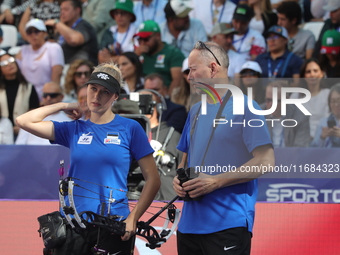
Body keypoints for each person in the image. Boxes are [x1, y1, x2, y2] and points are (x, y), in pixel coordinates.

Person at [16, 62, 160, 255]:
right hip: (73, 225)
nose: (97, 96)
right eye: (93, 89)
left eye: (105, 92)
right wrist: (64, 105)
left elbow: (153, 179)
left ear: (115, 96)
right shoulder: (74, 128)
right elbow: (23, 121)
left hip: (114, 225)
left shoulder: (130, 128)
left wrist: (133, 218)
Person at [173, 41, 274, 255]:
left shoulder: (246, 106)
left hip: (227, 224)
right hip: (189, 225)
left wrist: (217, 181)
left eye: (192, 69)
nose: (189, 76)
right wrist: (178, 180)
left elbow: (266, 161)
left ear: (212, 68)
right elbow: (184, 160)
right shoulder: (195, 110)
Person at [139, 89, 182, 201]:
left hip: (166, 201)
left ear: (157, 108)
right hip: (133, 198)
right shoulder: (126, 134)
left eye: (144, 103)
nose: (140, 109)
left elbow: (186, 168)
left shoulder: (173, 135)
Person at [16, 18, 64, 100]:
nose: (33, 35)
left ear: (45, 33)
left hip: (47, 96)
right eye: (29, 32)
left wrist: (50, 96)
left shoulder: (54, 48)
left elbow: (57, 74)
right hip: (26, 96)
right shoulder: (23, 50)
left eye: (36, 31)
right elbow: (16, 74)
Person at [134, 20, 185, 96]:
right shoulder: (139, 54)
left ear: (158, 36)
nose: (142, 43)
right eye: (140, 39)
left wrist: (167, 100)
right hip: (143, 94)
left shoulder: (173, 53)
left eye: (146, 39)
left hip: (165, 95)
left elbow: (177, 80)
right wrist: (135, 56)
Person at [45, 0, 98, 65]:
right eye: (61, 10)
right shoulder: (62, 28)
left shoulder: (85, 26)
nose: (62, 12)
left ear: (77, 10)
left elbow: (74, 40)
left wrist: (57, 23)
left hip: (83, 71)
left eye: (66, 9)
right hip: (64, 68)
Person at [0, 52, 40, 137]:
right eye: (4, 63)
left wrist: (23, 126)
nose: (9, 64)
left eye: (11, 60)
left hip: (23, 131)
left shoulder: (28, 87)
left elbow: (34, 110)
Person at [290, 58, 330, 139]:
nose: (312, 74)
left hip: (323, 139)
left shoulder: (328, 94)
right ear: (304, 76)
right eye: (308, 72)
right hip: (300, 139)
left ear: (322, 74)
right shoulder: (295, 96)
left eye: (315, 71)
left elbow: (329, 120)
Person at [264, 80, 311, 147]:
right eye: (268, 100)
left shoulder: (300, 117)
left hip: (290, 156)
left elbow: (300, 149)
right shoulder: (257, 115)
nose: (271, 104)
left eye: (276, 101)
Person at [312, 83, 340, 147]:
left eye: (339, 101)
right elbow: (313, 149)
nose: (336, 105)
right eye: (333, 101)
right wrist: (322, 138)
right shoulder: (323, 123)